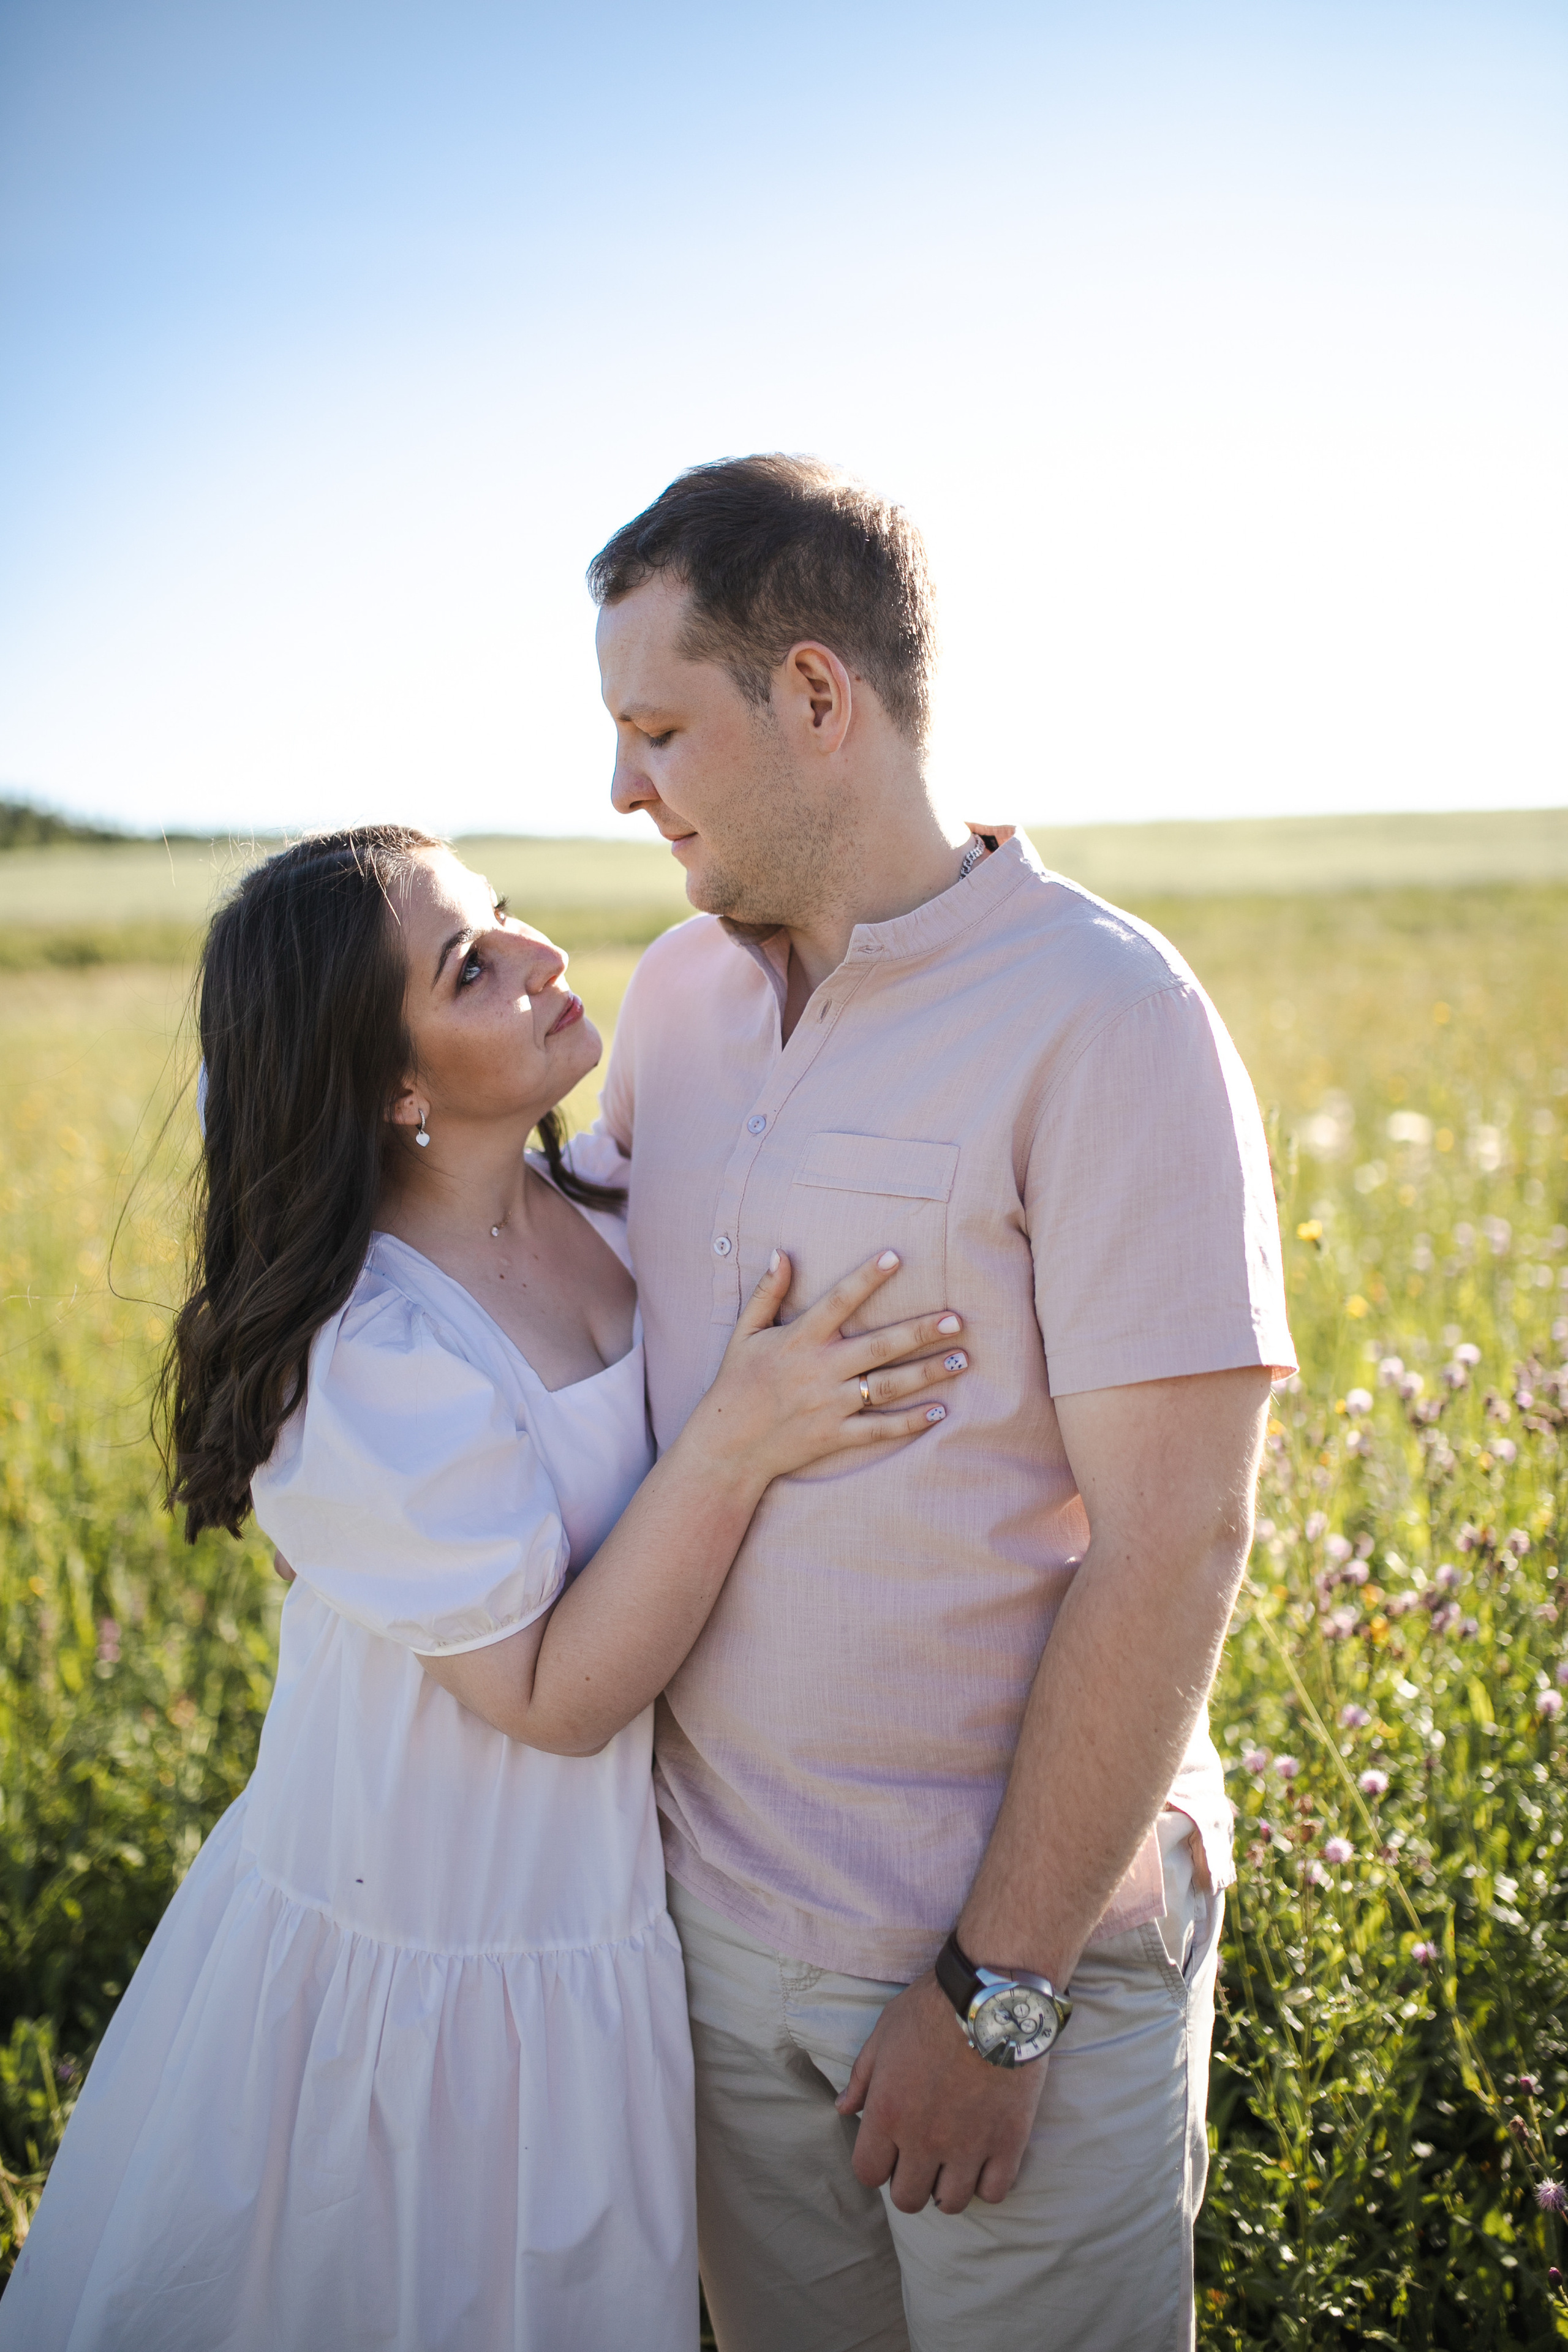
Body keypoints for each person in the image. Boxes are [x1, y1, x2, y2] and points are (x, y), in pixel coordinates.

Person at [0, 826, 968, 2352]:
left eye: (506, 918)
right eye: (472, 967)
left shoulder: (610, 1218)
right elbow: (550, 1698)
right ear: (390, 1088)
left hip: (592, 1930)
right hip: (424, 1961)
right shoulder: (366, 1357)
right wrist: (736, 1440)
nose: (542, 958)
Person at [587, 454, 1297, 2352]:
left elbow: (1178, 1536)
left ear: (817, 697)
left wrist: (1000, 1990)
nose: (621, 786)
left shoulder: (1107, 1015)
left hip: (1013, 1980)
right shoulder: (667, 1003)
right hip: (712, 1953)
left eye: (658, 727)